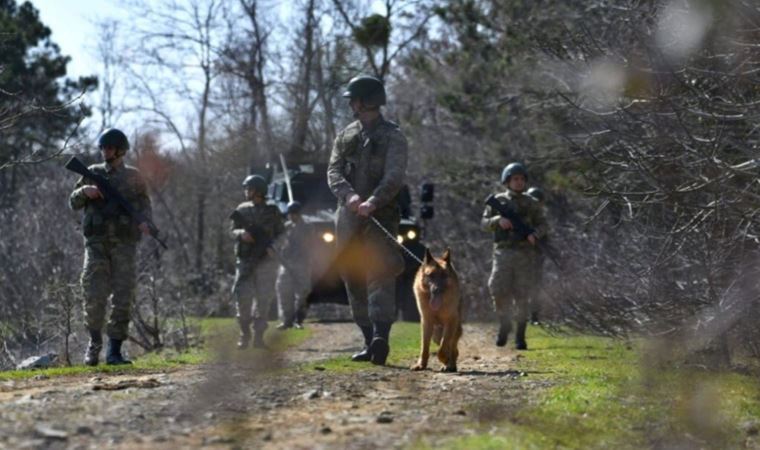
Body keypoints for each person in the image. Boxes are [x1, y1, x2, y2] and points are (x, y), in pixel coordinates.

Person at [327, 75, 408, 366]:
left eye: (354, 99)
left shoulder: (394, 136)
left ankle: (381, 338)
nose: (351, 104)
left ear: (366, 101)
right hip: (348, 217)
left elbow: (394, 176)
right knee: (352, 276)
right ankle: (366, 339)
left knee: (380, 272)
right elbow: (333, 172)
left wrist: (374, 201)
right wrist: (349, 197)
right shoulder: (346, 135)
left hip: (381, 216)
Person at [69, 128, 152, 366]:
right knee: (93, 296)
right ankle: (94, 345)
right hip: (96, 246)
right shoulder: (92, 173)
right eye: (103, 148)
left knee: (123, 297)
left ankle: (114, 351)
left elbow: (145, 206)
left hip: (125, 246)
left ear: (121, 150)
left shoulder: (134, 177)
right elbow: (73, 202)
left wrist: (146, 224)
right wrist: (84, 191)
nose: (105, 151)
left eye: (110, 148)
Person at [481, 162, 548, 350]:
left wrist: (535, 234)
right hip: (502, 253)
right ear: (507, 181)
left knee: (522, 294)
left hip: (525, 254)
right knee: (497, 288)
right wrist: (497, 220)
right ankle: (504, 322)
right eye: (514, 179)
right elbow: (484, 223)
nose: (518, 182)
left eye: (521, 179)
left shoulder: (532, 203)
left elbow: (544, 224)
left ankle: (520, 335)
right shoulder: (498, 200)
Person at [230, 174, 284, 349]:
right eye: (246, 188)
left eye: (249, 189)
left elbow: (282, 234)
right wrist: (241, 234)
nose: (246, 192)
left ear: (259, 191)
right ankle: (244, 334)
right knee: (242, 298)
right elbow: (232, 230)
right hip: (245, 260)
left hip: (266, 262)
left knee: (264, 300)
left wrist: (273, 248)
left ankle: (259, 337)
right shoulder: (242, 209)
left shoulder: (272, 210)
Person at [275, 201, 313, 329]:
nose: (291, 216)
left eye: (294, 214)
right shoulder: (286, 227)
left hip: (301, 263)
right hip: (286, 263)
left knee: (302, 293)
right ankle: (286, 320)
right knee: (284, 291)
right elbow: (279, 242)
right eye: (290, 214)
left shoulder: (307, 227)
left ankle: (299, 320)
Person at [526, 186, 547, 325]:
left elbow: (545, 237)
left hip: (536, 257)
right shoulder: (523, 217)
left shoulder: (541, 220)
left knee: (535, 288)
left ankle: (534, 317)